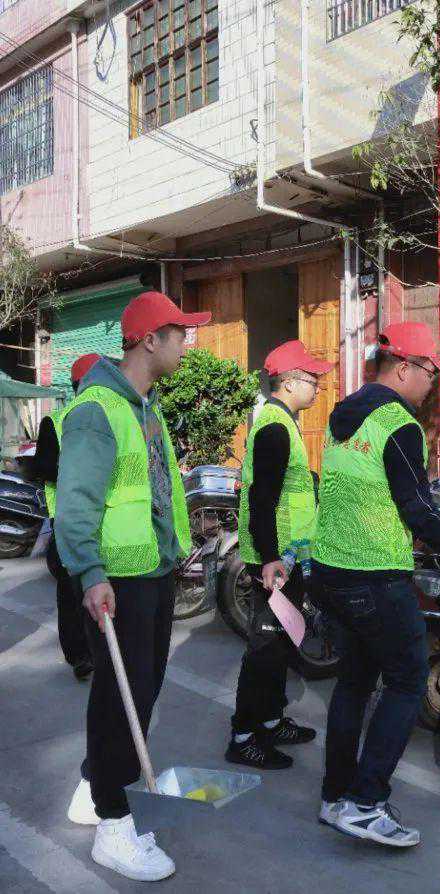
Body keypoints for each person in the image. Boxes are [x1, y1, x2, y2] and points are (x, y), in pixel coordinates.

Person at [311, 322, 440, 848]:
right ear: (404, 368)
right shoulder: (399, 424)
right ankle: (366, 803)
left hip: (331, 569)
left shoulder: (343, 415)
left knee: (354, 682)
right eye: (431, 373)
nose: (433, 385)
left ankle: (335, 796)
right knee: (408, 680)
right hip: (375, 575)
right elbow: (416, 510)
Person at [57, 291, 210, 881]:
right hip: (117, 580)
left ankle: (92, 786)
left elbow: (156, 491)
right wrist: (91, 573)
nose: (186, 346)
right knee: (123, 700)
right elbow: (75, 504)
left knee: (137, 694)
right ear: (150, 340)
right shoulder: (97, 409)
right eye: (179, 335)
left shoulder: (147, 407)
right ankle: (114, 824)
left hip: (151, 571)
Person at [226, 340, 334, 769]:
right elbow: (263, 497)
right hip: (275, 561)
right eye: (312, 380)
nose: (317, 388)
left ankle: (271, 720)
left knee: (284, 642)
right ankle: (243, 736)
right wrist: (270, 557)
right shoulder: (274, 426)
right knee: (265, 649)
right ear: (288, 382)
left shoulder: (283, 422)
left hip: (288, 557)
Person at [28, 352, 100, 680]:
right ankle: (80, 656)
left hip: (103, 520)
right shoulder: (56, 421)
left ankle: (98, 651)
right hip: (68, 520)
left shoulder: (111, 416)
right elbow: (43, 469)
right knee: (72, 593)